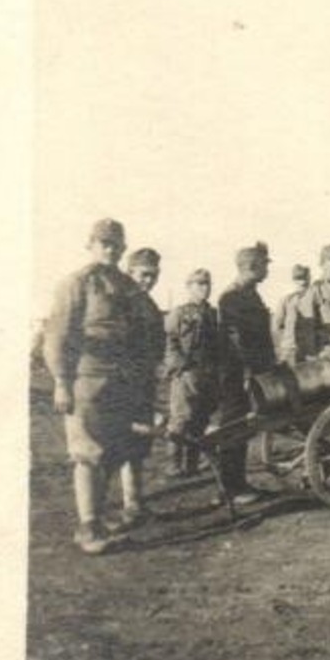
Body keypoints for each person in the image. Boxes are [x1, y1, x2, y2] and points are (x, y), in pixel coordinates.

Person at [42, 219, 143, 554]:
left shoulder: (127, 285)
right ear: (91, 245)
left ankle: (96, 520)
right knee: (87, 453)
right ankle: (88, 529)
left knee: (112, 453)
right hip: (86, 380)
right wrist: (60, 381)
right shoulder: (76, 283)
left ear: (124, 248)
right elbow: (56, 335)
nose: (111, 249)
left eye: (116, 244)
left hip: (120, 382)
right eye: (104, 243)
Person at [215, 242, 277, 505]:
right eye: (265, 264)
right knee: (233, 429)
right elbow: (237, 340)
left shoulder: (250, 294)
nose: (267, 270)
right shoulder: (232, 297)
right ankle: (232, 488)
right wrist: (252, 372)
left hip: (248, 371)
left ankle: (238, 484)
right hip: (236, 374)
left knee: (240, 428)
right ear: (252, 267)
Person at [120, 247, 165, 525]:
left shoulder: (148, 305)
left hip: (144, 382)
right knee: (119, 444)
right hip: (124, 383)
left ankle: (134, 503)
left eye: (154, 275)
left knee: (137, 445)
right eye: (144, 274)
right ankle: (114, 510)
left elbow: (158, 341)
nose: (149, 280)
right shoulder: (121, 302)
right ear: (130, 271)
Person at [164, 268, 221, 479]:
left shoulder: (213, 313)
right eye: (199, 284)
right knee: (181, 419)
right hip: (185, 373)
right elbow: (169, 342)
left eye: (207, 283)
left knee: (200, 418)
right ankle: (173, 464)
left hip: (208, 373)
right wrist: (181, 367)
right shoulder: (179, 313)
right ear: (189, 287)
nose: (205, 288)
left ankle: (192, 464)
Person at [273, 264, 310, 364]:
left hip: (310, 351)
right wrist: (287, 341)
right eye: (299, 279)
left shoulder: (315, 299)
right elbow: (277, 325)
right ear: (294, 280)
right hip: (290, 349)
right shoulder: (287, 300)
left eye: (305, 278)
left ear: (309, 278)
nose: (302, 282)